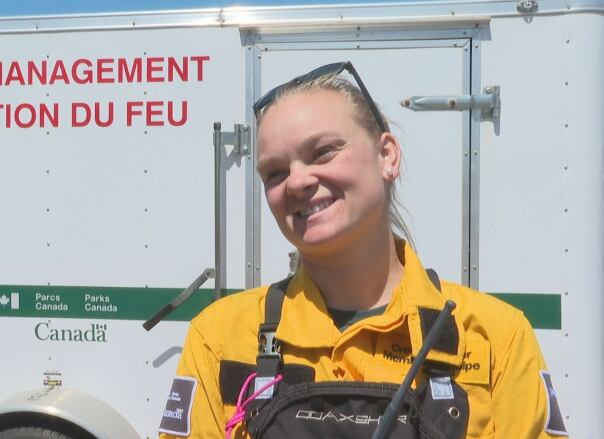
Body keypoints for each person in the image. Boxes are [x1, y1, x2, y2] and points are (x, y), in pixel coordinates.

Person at [158, 62, 567, 438]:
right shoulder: (219, 337)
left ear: (387, 156)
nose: (297, 182)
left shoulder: (497, 339)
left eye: (322, 152)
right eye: (275, 172)